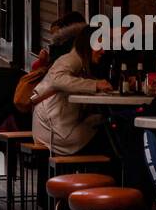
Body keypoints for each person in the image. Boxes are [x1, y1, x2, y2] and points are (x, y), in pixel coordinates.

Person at [30, 15, 113, 155]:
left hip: (56, 126)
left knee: (108, 125)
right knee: (109, 133)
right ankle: (101, 176)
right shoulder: (71, 59)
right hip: (54, 131)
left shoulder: (83, 64)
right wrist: (95, 84)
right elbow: (57, 79)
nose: (103, 51)